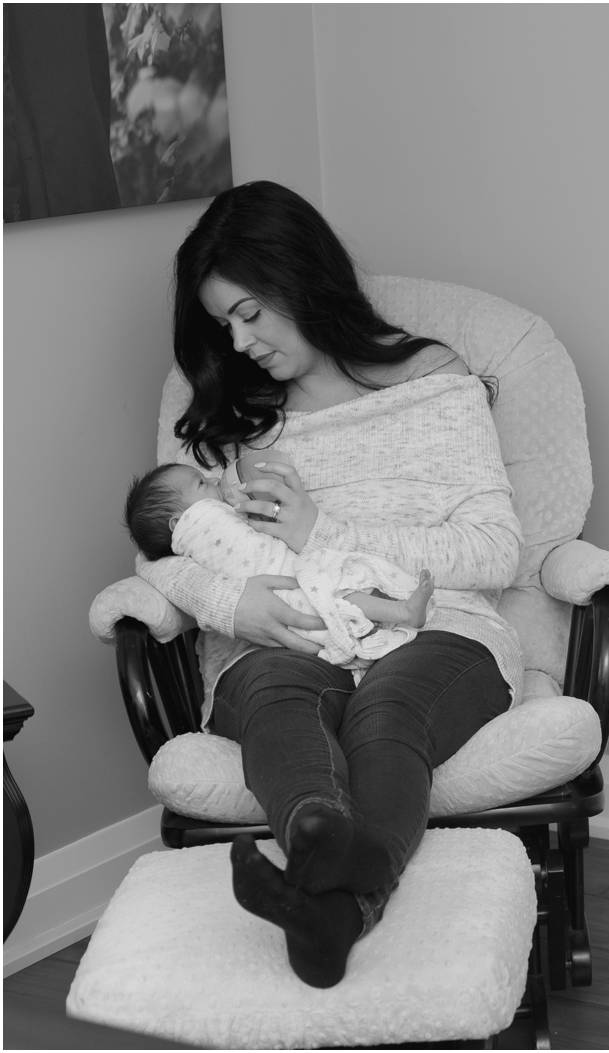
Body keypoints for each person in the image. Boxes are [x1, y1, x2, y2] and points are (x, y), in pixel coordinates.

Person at [136, 179, 525, 988]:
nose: (240, 345)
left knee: (389, 707)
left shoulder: (431, 382)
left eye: (249, 314)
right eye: (221, 325)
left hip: (430, 627)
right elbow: (163, 549)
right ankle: (322, 856)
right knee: (280, 697)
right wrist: (228, 602)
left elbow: (496, 549)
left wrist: (325, 533)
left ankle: (334, 901)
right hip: (282, 637)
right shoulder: (231, 418)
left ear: (300, 277)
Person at [124, 462, 435, 668]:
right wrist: (225, 603)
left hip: (286, 581)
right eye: (202, 483)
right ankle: (401, 612)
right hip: (283, 590)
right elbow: (149, 562)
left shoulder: (195, 531)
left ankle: (391, 616)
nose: (215, 479)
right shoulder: (203, 523)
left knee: (340, 594)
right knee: (338, 593)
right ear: (181, 522)